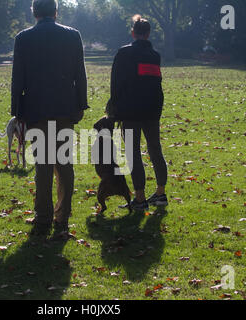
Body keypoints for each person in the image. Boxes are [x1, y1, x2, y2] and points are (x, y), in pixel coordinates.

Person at [11, 0, 88, 237]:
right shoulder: (72, 35)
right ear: (56, 11)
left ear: (34, 12)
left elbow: (18, 78)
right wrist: (81, 103)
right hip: (65, 107)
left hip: (36, 109)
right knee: (64, 166)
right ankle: (62, 216)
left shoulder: (23, 38)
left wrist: (17, 111)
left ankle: (42, 217)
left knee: (42, 166)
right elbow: (80, 73)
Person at [107, 15, 168, 211]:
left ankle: (140, 198)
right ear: (148, 34)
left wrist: (113, 107)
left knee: (133, 153)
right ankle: (160, 193)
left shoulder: (124, 53)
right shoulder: (155, 55)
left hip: (131, 110)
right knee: (155, 150)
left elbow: (116, 83)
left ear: (133, 32)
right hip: (152, 109)